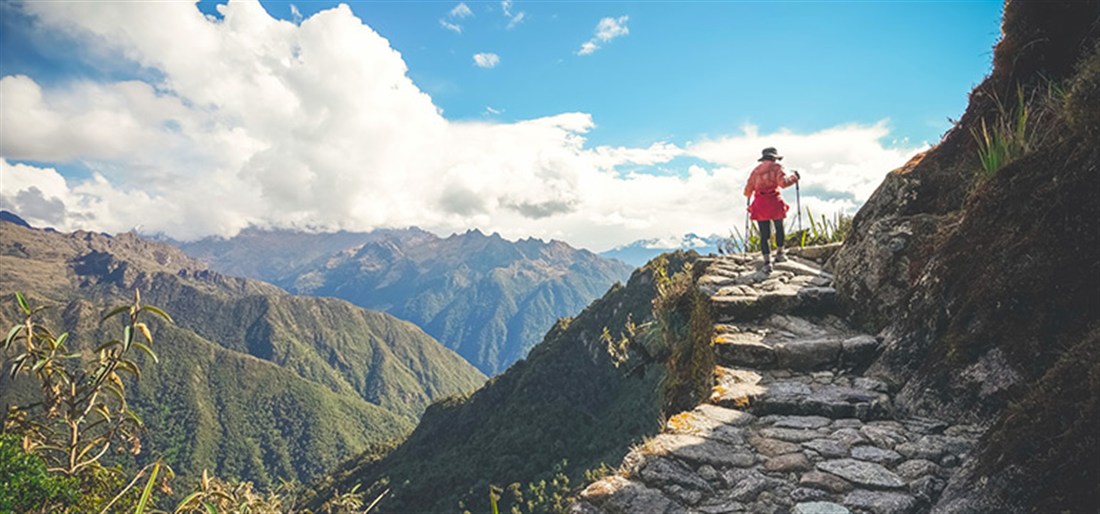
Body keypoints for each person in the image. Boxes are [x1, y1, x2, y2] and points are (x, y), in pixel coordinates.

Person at [744, 147, 800, 273]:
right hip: (774, 202)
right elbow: (783, 183)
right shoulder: (777, 168)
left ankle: (767, 263)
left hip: (760, 204)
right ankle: (780, 253)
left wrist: (751, 193)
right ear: (774, 158)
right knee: (779, 228)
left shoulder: (756, 171)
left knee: (764, 235)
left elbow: (747, 191)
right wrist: (794, 177)